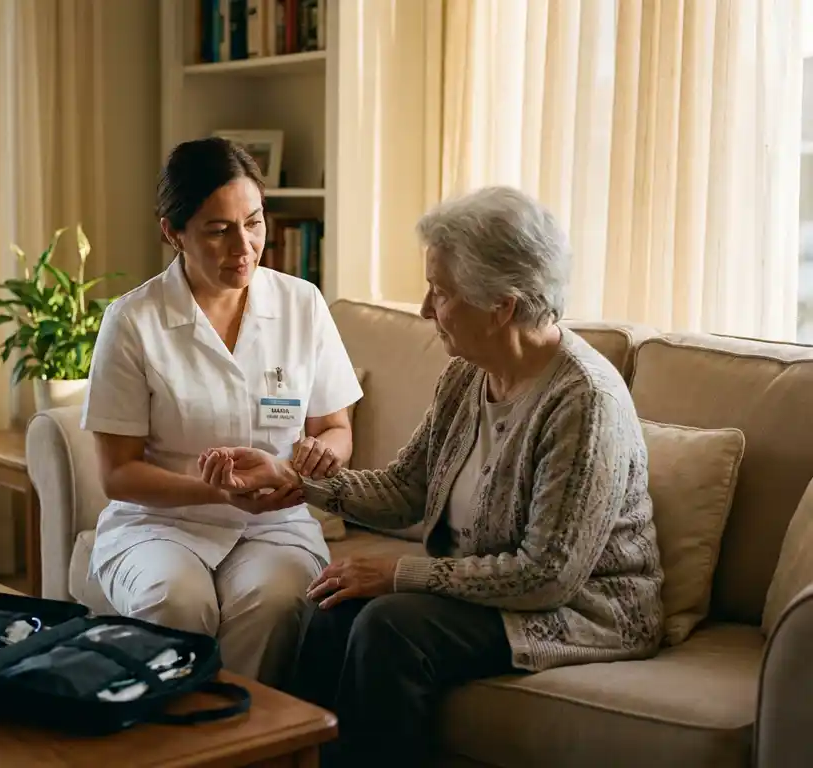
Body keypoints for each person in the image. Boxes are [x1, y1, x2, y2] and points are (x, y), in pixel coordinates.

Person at [198, 186, 664, 766]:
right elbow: (404, 489)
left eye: (440, 292)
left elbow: (547, 576)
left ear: (502, 306)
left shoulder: (584, 402)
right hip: (492, 588)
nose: (423, 309)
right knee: (332, 601)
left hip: (584, 609)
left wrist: (401, 574)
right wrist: (293, 476)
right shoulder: (468, 376)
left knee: (390, 625)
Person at [81, 137, 363, 687]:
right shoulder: (133, 320)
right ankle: (174, 728)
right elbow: (118, 474)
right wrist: (217, 493)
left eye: (253, 223)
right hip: (160, 525)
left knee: (276, 601)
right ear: (173, 232)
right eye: (218, 230)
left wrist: (316, 458)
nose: (244, 246)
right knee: (176, 600)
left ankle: (246, 731)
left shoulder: (302, 304)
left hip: (275, 525)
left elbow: (336, 428)